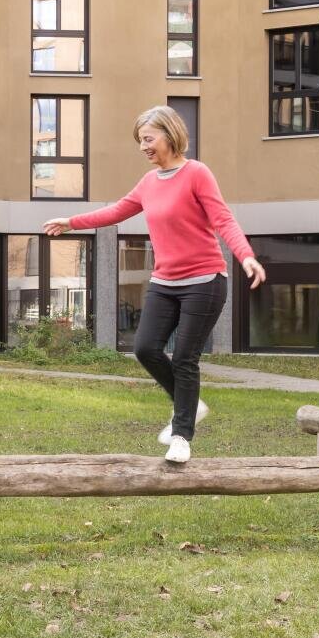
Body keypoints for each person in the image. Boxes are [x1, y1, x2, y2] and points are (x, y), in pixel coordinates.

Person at [45, 105, 265, 465]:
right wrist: (72, 222)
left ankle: (181, 436)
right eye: (140, 141)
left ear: (170, 135)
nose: (143, 147)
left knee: (184, 358)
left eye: (148, 139)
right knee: (146, 348)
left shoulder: (197, 173)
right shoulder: (149, 183)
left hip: (204, 281)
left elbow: (223, 219)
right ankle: (191, 405)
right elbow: (116, 211)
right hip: (165, 281)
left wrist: (246, 256)